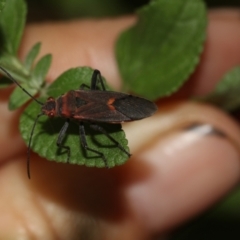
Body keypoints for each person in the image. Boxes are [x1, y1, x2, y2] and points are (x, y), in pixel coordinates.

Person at [1, 9, 240, 239]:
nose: (49, 108)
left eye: (51, 107)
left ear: (60, 109)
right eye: (50, 109)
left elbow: (70, 142)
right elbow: (86, 89)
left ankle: (106, 150)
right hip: (105, 100)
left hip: (102, 112)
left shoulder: (73, 114)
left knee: (85, 144)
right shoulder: (72, 93)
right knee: (91, 94)